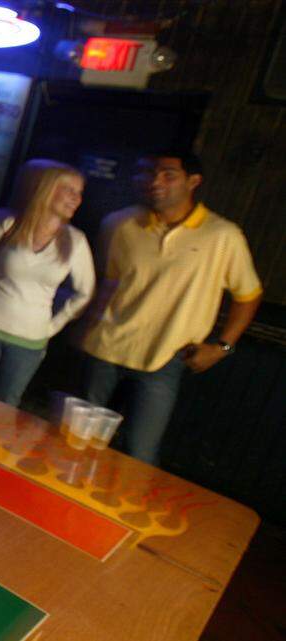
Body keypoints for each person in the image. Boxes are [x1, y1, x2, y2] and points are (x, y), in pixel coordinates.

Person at [79, 151, 262, 465]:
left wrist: (222, 347)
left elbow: (248, 295)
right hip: (105, 348)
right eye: (148, 173)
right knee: (78, 441)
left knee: (139, 453)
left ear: (193, 181)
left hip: (165, 358)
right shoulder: (119, 223)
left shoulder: (223, 235)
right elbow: (102, 282)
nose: (155, 182)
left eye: (168, 174)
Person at [0, 159, 95, 407]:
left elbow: (84, 293)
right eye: (70, 190)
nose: (76, 199)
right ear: (48, 189)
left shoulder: (75, 240)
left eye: (79, 193)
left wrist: (52, 326)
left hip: (31, 338)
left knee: (5, 406)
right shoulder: (11, 224)